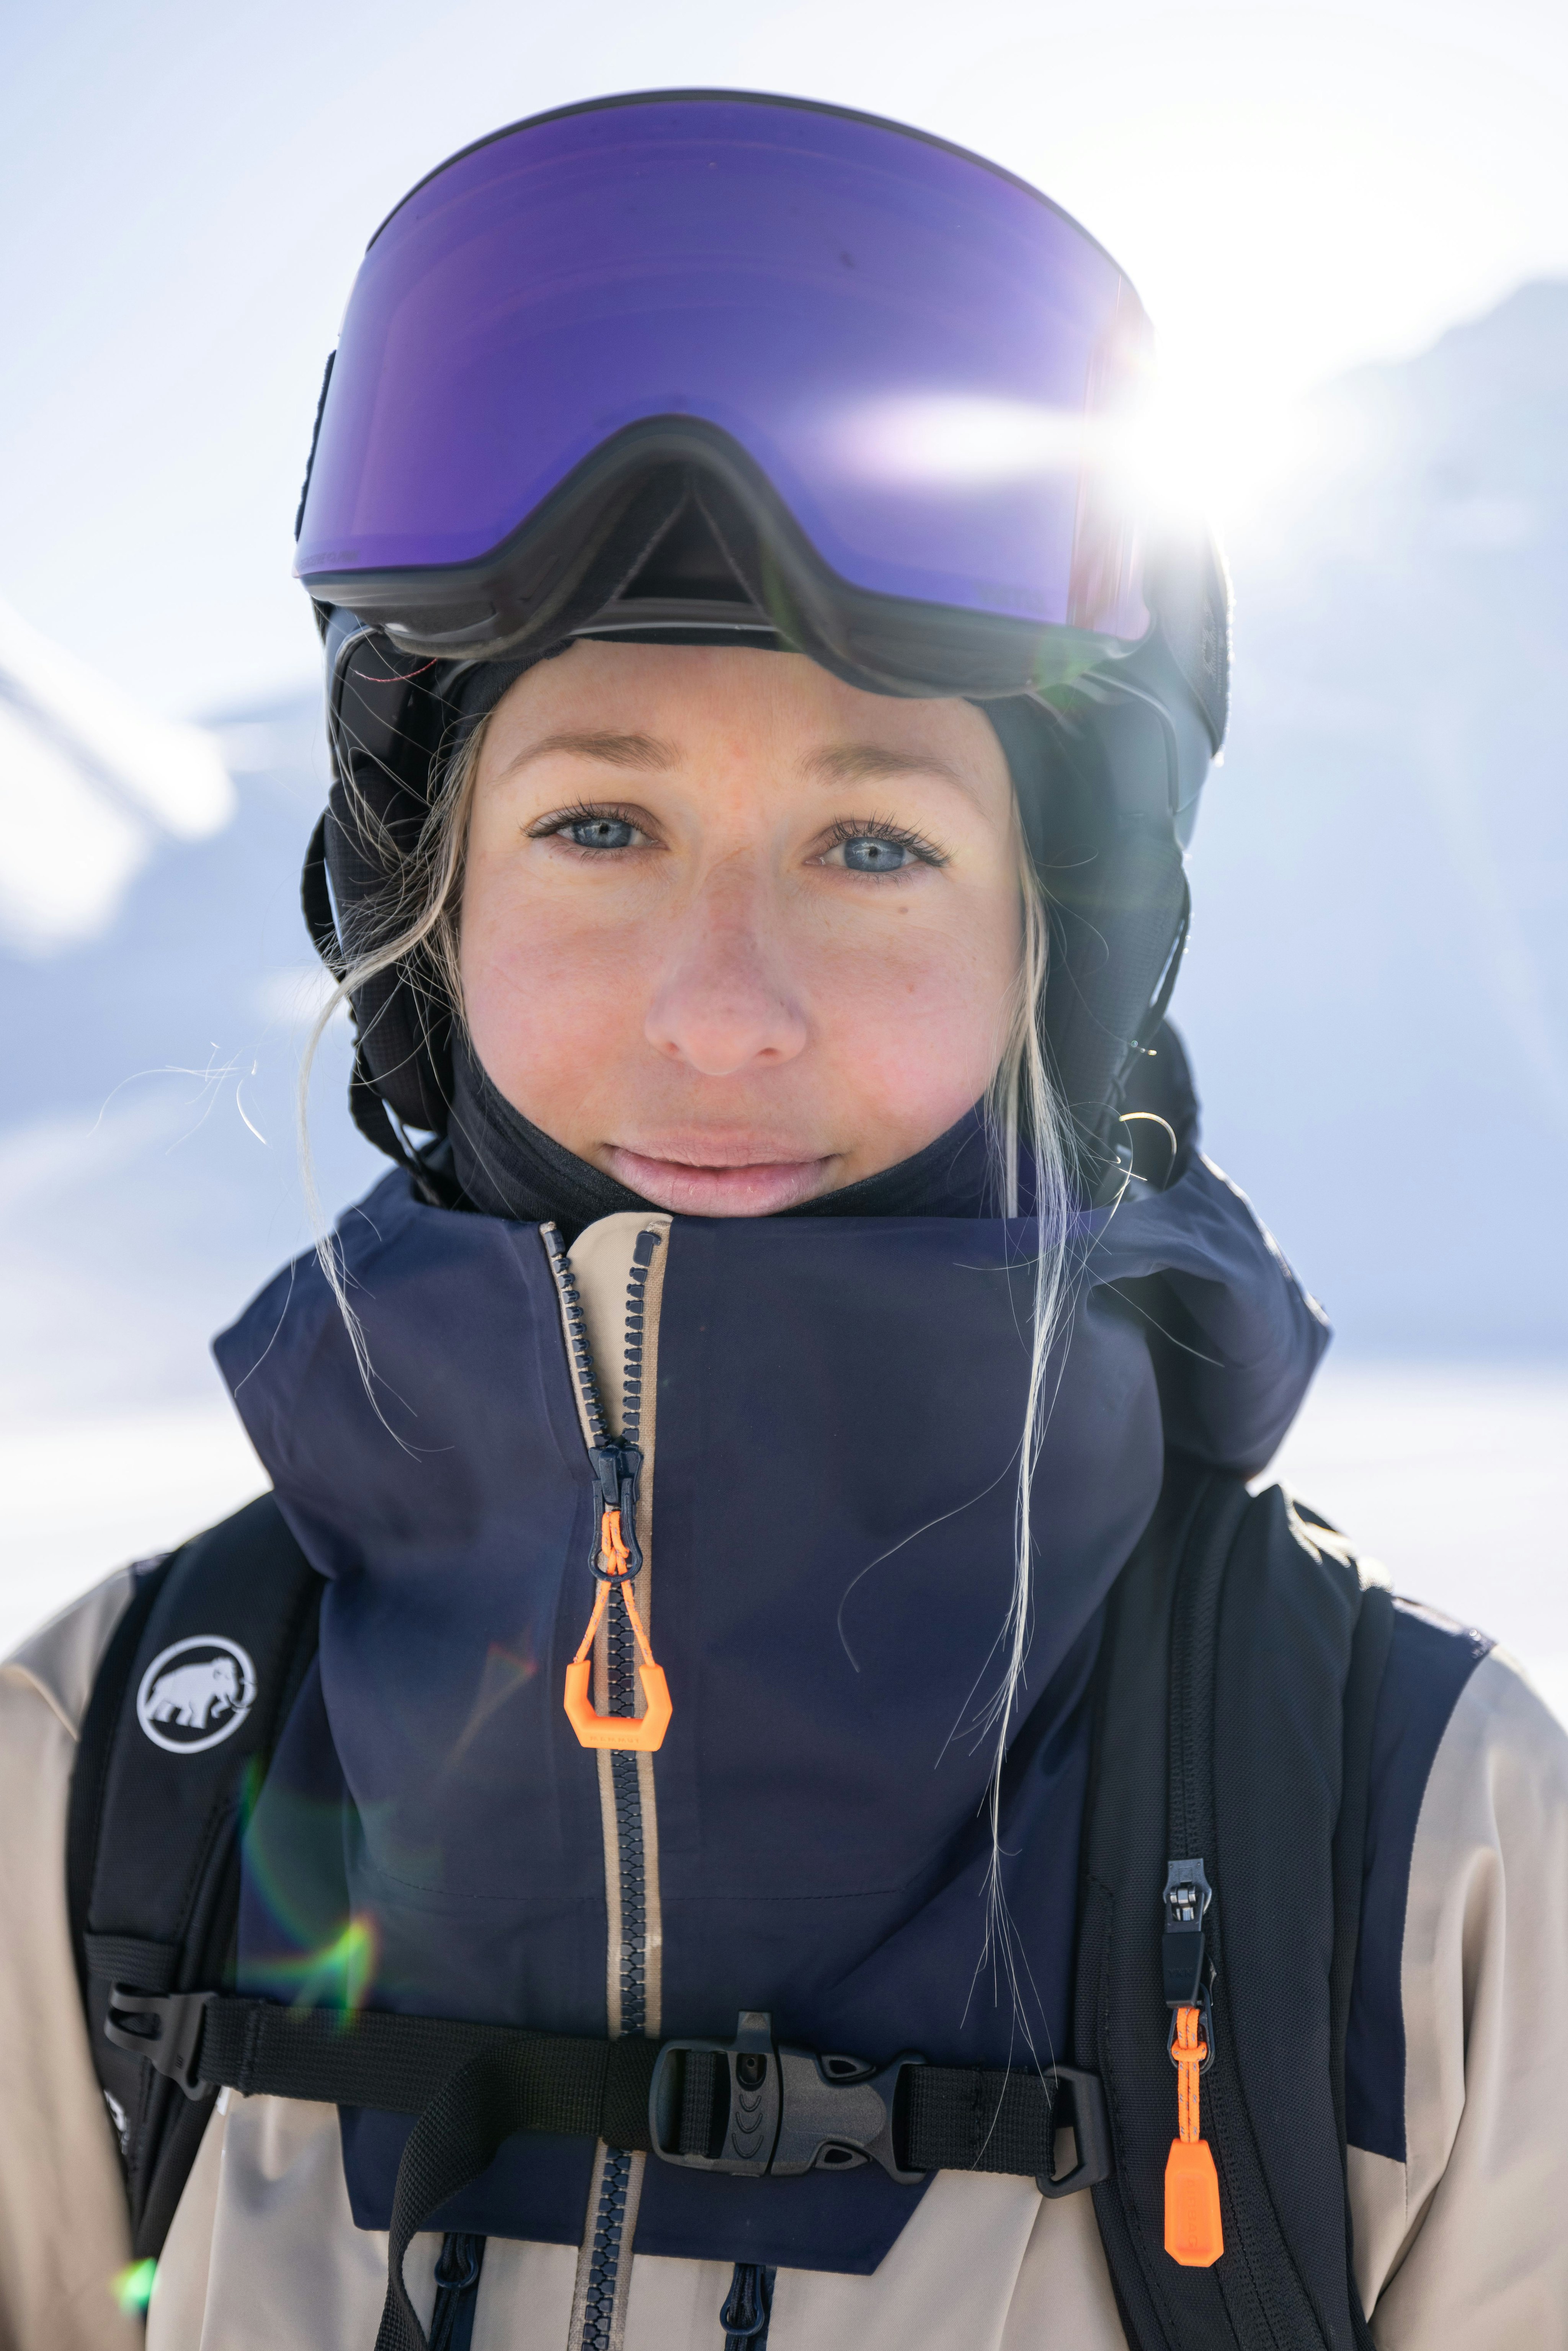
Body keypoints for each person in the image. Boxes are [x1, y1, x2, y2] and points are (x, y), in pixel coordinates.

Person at [2, 89, 1565, 2351]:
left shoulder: (1436, 1861)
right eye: (601, 827)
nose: (724, 1017)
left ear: (1063, 943)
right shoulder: (99, 1794)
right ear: (422, 914)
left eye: (874, 847)